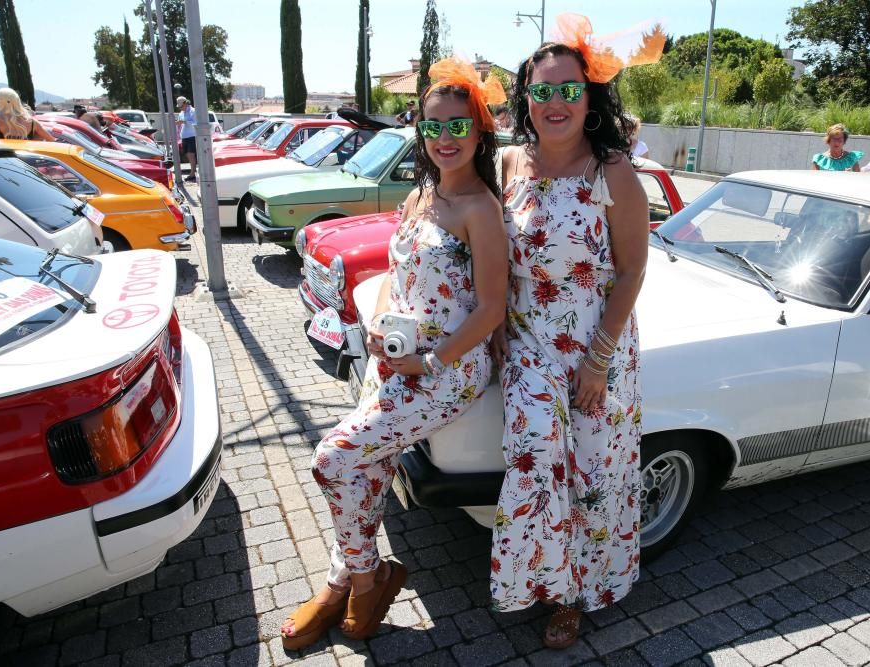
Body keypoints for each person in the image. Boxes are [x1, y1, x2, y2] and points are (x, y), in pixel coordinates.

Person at [279, 57, 507, 649]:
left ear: (480, 131)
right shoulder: (420, 196)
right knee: (369, 462)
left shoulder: (481, 210)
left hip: (448, 371)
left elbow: (491, 309)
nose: (445, 138)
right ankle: (342, 582)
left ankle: (366, 576)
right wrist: (379, 318)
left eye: (459, 125)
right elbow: (394, 271)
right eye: (433, 127)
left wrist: (430, 362)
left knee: (332, 458)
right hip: (397, 360)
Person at [491, 12, 653, 650]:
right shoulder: (508, 163)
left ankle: (579, 594)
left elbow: (634, 268)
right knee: (532, 467)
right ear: (525, 99)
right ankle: (539, 581)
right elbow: (495, 254)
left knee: (592, 472)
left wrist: (597, 361)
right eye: (541, 90)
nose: (554, 102)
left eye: (568, 89)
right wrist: (497, 324)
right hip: (530, 347)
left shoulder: (612, 170)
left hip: (598, 347)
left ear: (591, 98)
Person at [176, 96, 198, 181]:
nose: (181, 108)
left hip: (192, 136)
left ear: (186, 103)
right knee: (188, 155)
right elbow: (180, 123)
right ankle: (193, 171)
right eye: (180, 107)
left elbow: (195, 123)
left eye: (181, 106)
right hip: (184, 137)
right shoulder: (181, 113)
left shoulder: (193, 111)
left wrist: (184, 122)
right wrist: (178, 123)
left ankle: (192, 174)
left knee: (191, 155)